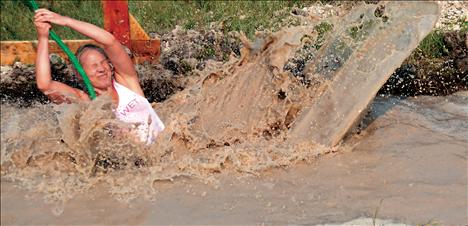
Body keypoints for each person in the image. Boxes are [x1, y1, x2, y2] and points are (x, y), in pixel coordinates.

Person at [34, 8, 164, 144]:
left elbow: (110, 41)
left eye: (103, 63)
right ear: (80, 74)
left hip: (165, 148)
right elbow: (45, 85)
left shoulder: (126, 81)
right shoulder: (85, 101)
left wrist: (66, 21)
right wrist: (43, 37)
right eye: (94, 66)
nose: (101, 69)